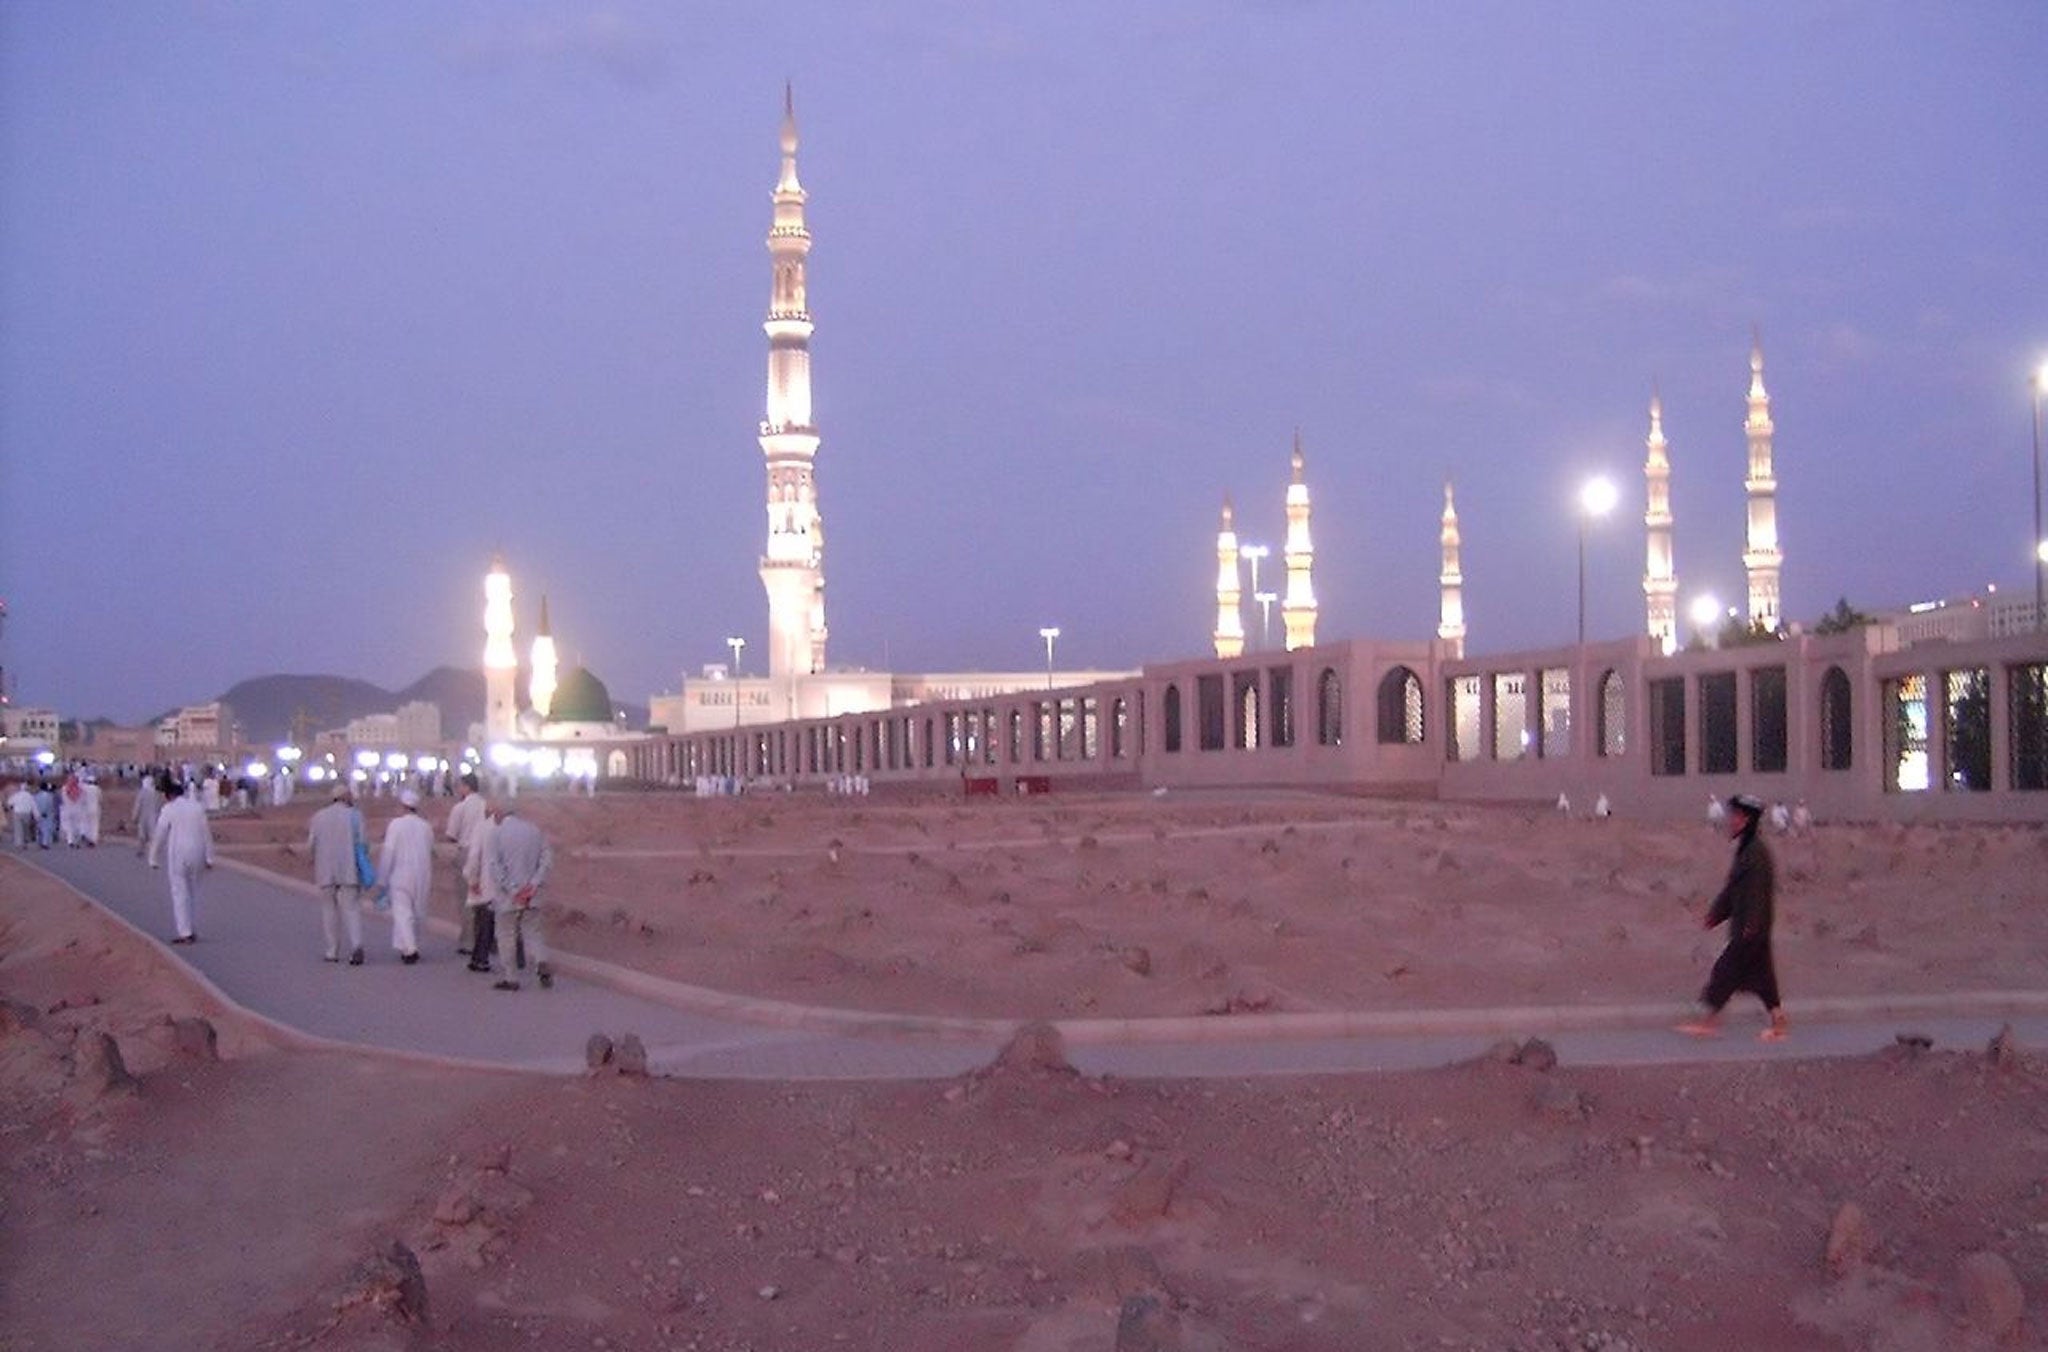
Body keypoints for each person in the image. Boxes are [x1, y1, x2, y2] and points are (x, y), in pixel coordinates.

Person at [1678, 793, 1789, 1042]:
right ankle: (1779, 1021)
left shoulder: (1757, 853)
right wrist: (1715, 916)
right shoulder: (1747, 850)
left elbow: (1758, 892)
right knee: (1763, 979)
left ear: (1747, 820)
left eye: (1736, 817)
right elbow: (1733, 891)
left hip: (1751, 929)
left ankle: (1708, 1022)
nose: (1731, 821)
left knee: (1725, 971)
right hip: (1752, 928)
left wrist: (1752, 924)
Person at [486, 802, 554, 991]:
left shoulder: (496, 834)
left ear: (499, 814)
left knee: (506, 934)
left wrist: (514, 890)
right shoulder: (534, 830)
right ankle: (541, 960)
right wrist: (533, 885)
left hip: (508, 897)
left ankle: (511, 978)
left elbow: (495, 867)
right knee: (533, 931)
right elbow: (547, 859)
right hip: (532, 894)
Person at [147, 775, 215, 944]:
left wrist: (153, 857)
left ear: (168, 796)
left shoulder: (169, 809)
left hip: (178, 853)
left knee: (179, 892)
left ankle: (185, 932)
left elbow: (160, 834)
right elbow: (207, 833)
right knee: (192, 893)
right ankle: (191, 928)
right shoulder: (197, 807)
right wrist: (209, 857)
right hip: (197, 852)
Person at [307, 786, 366, 965]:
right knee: (351, 908)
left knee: (328, 910)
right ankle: (356, 945)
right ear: (346, 797)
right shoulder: (355, 815)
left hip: (325, 868)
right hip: (348, 868)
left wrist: (314, 859)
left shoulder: (318, 816)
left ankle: (332, 951)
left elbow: (311, 844)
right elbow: (363, 843)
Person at [376, 788, 434, 965]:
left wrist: (382, 878)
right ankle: (407, 945)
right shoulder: (426, 826)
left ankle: (410, 949)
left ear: (403, 806)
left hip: (400, 874)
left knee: (402, 912)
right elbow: (431, 850)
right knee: (416, 912)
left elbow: (389, 852)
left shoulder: (396, 825)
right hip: (422, 874)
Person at [443, 772, 487, 956]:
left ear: (467, 787)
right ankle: (485, 939)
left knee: (466, 898)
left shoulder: (460, 808)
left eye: (460, 786)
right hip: (485, 854)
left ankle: (469, 941)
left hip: (466, 852)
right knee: (483, 898)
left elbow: (451, 835)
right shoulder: (486, 805)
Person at [460, 794, 500, 974]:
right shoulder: (508, 828)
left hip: (486, 882)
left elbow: (474, 856)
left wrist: (472, 878)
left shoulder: (482, 828)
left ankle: (480, 958)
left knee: (483, 920)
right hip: (509, 884)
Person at [132, 772, 164, 857]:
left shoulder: (142, 793)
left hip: (143, 816)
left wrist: (134, 816)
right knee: (152, 834)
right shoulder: (157, 793)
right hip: (153, 816)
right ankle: (153, 851)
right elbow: (160, 805)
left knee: (142, 834)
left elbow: (138, 805)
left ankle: (141, 850)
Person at [7, 781, 35, 849]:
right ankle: (26, 841)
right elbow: (33, 805)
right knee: (26, 828)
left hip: (17, 813)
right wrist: (36, 815)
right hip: (27, 813)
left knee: (18, 829)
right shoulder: (29, 795)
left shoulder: (16, 795)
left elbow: (9, 802)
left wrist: (10, 808)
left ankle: (19, 844)